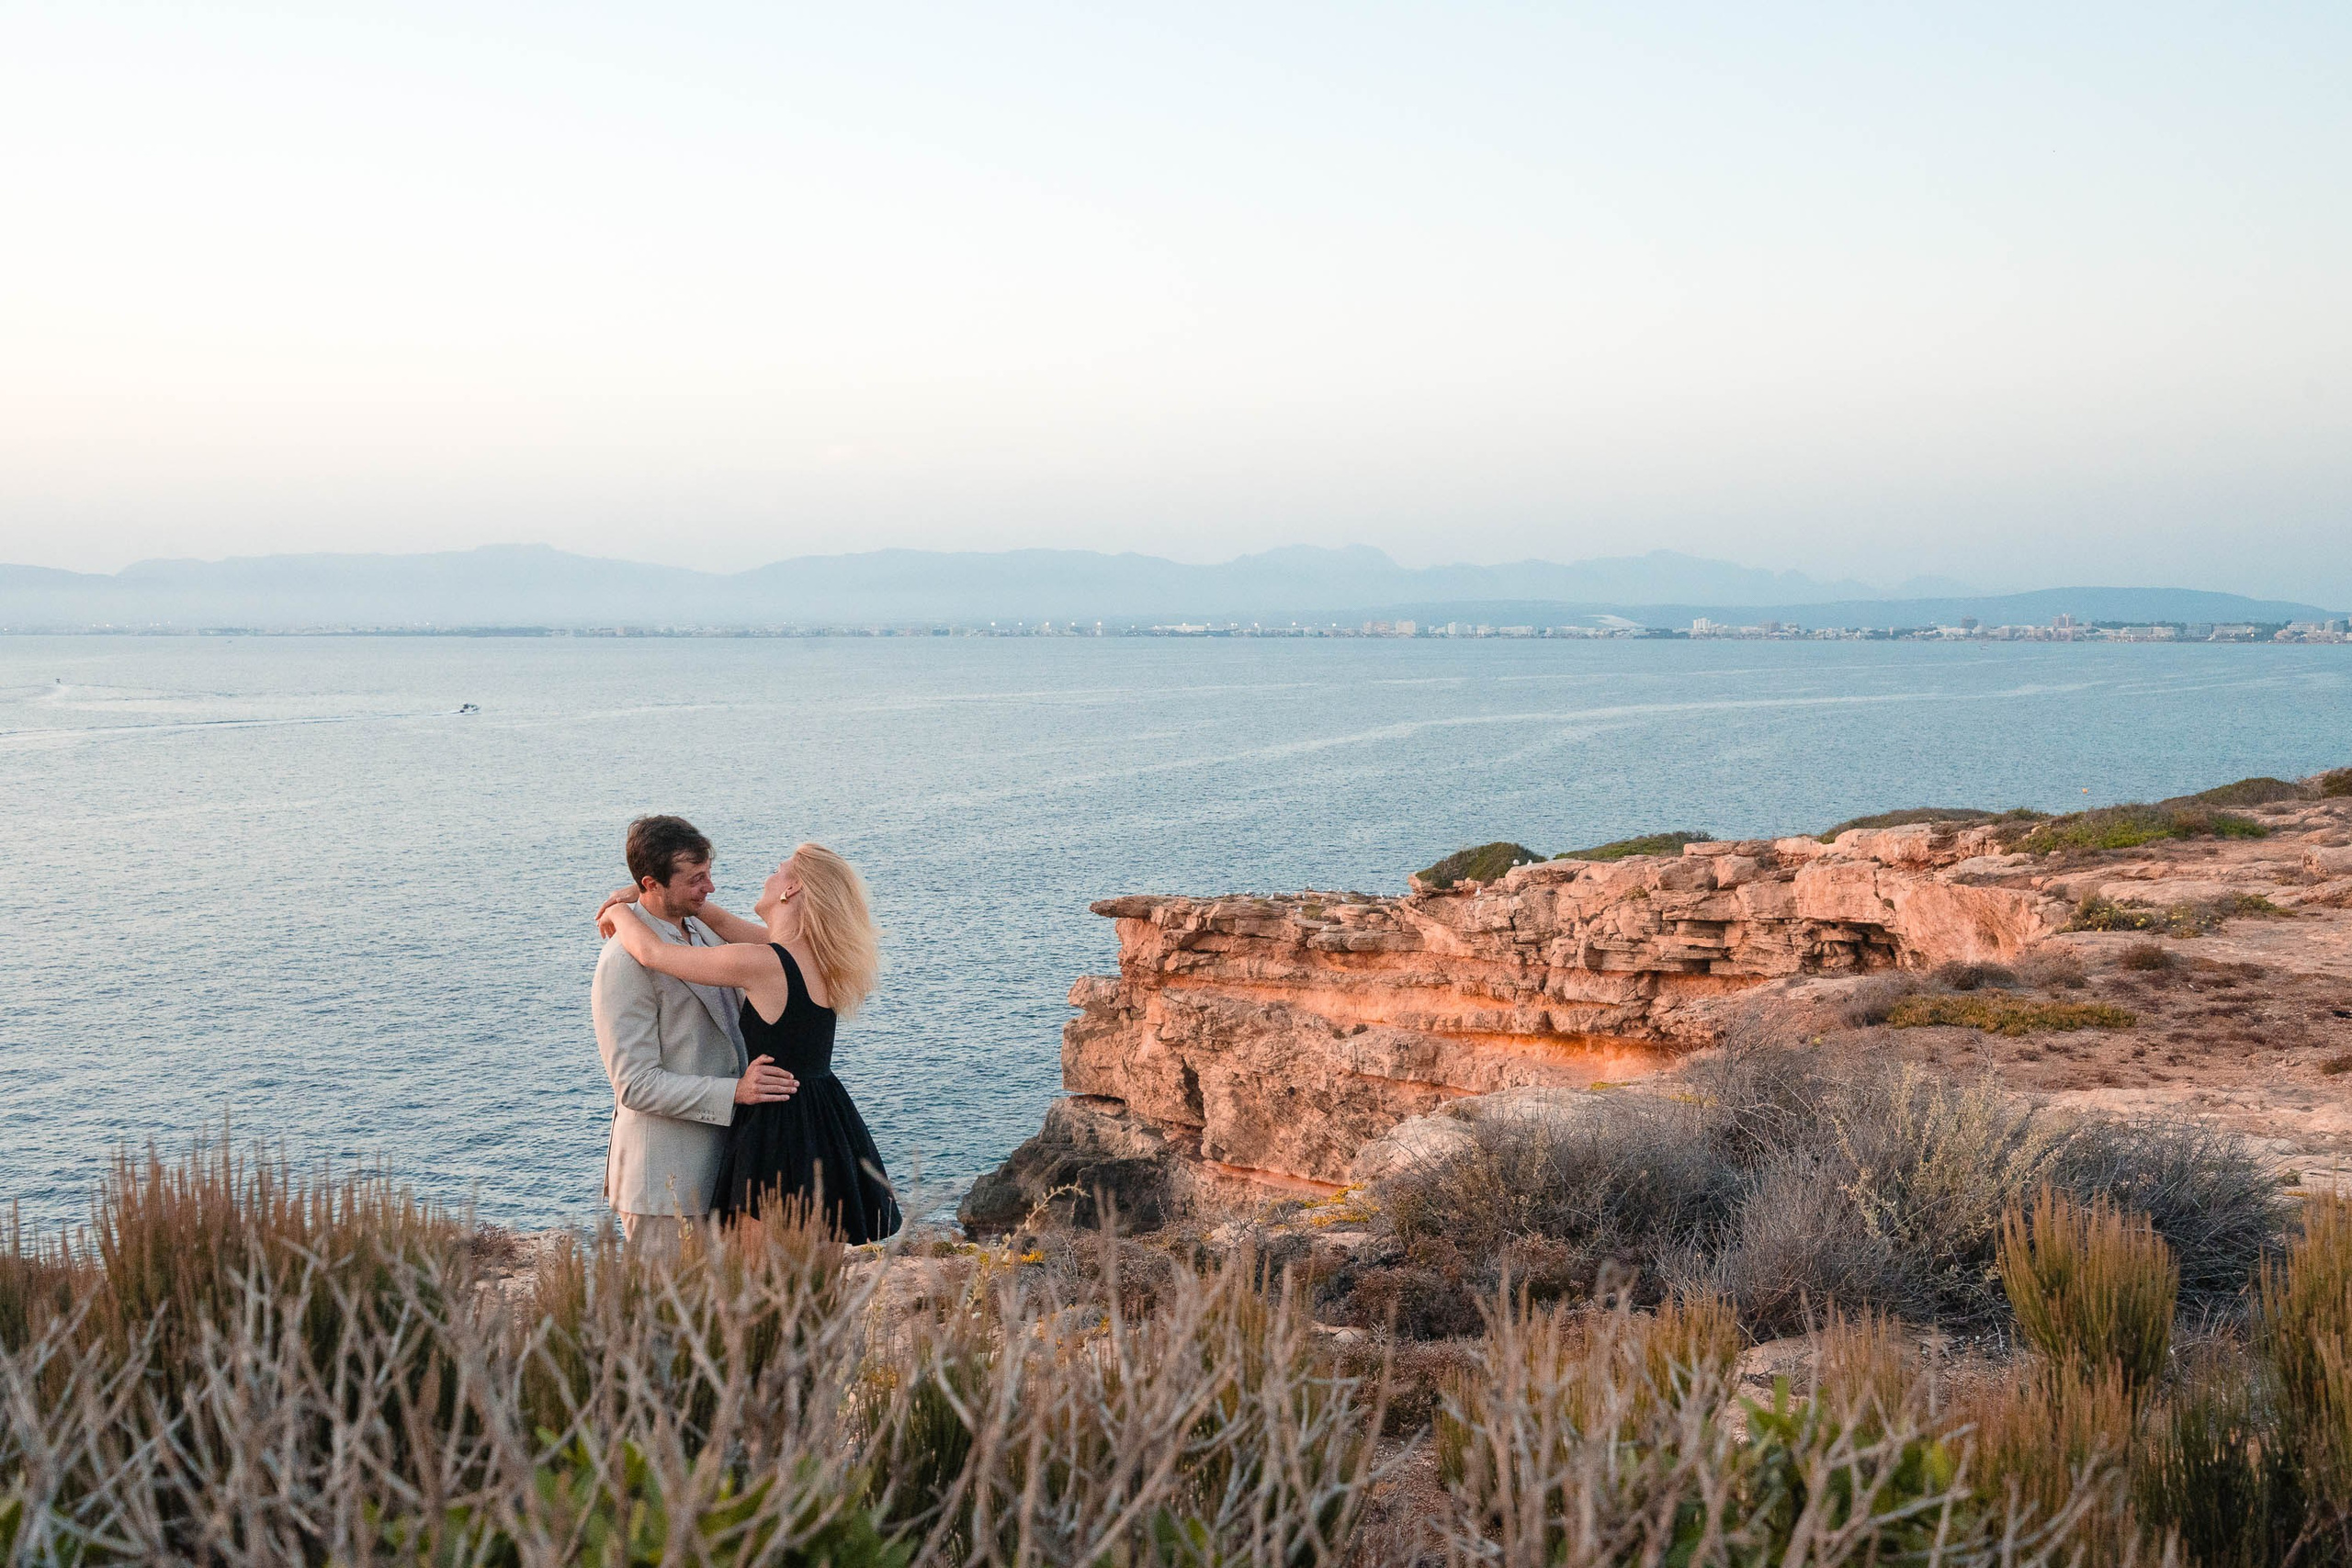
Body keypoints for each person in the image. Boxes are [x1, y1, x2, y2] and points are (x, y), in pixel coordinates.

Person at [599, 841, 901, 1246]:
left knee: (758, 1285)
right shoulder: (816, 954)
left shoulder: (762, 962)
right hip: (822, 1121)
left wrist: (616, 911)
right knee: (795, 1281)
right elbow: (716, 918)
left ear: (791, 890)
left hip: (778, 1129)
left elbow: (653, 952)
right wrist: (643, 891)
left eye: (777, 870)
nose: (768, 876)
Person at [593, 816, 799, 1251]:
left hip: (726, 1171)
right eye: (696, 879)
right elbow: (634, 1084)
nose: (710, 888)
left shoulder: (704, 928)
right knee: (667, 1317)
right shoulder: (622, 962)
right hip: (664, 1183)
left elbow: (782, 954)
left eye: (708, 873)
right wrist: (735, 1092)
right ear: (654, 883)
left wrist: (630, 898)